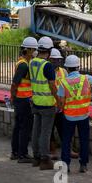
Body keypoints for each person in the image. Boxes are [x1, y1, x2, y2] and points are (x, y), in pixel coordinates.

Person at [58, 55, 92, 173]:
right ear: (78, 67)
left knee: (66, 140)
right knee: (84, 140)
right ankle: (83, 164)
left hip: (69, 116)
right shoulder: (86, 78)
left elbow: (61, 101)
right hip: (84, 115)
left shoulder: (63, 83)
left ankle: (66, 165)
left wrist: (61, 110)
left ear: (67, 68)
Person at [29, 36, 59, 170]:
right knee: (45, 133)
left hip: (36, 102)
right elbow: (53, 86)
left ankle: (36, 157)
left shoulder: (32, 62)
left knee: (36, 131)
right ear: (50, 50)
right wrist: (58, 100)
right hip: (47, 104)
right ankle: (45, 159)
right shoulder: (47, 66)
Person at [10, 37, 39, 163]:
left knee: (18, 126)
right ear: (28, 50)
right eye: (34, 49)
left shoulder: (23, 62)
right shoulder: (23, 65)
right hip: (23, 100)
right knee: (25, 127)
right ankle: (22, 154)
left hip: (20, 99)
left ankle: (15, 152)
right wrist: (13, 97)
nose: (35, 52)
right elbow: (14, 83)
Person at [48, 48, 70, 160]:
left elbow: (67, 87)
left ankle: (68, 149)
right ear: (50, 59)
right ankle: (52, 149)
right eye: (55, 60)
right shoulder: (47, 70)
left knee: (63, 128)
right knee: (50, 129)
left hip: (61, 106)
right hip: (50, 104)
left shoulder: (63, 71)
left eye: (58, 60)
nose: (57, 62)